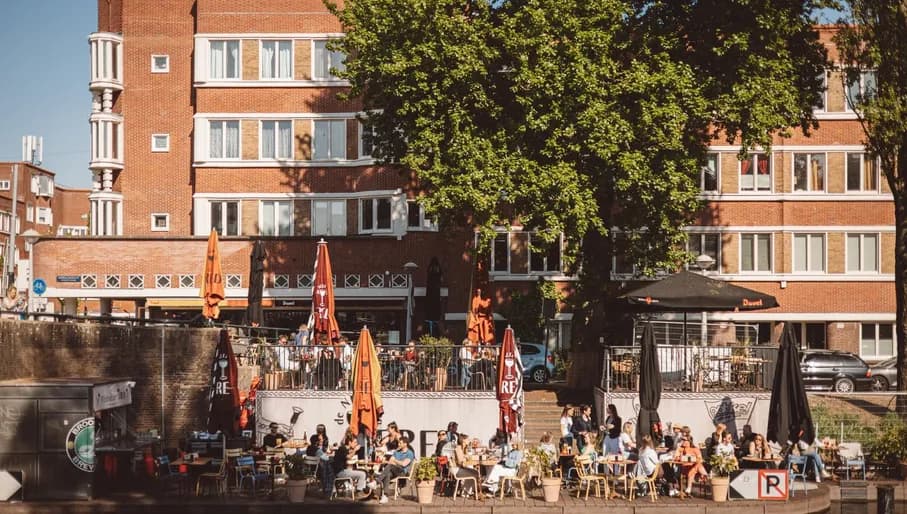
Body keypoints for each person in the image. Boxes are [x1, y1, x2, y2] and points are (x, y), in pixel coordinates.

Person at [374, 435, 415, 504]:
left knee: (390, 466)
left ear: (405, 444)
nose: (398, 444)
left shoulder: (409, 453)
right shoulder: (397, 452)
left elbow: (404, 464)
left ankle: (377, 481)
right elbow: (390, 461)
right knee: (387, 474)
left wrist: (395, 461)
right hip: (394, 470)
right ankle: (385, 496)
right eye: (398, 443)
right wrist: (395, 462)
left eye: (400, 443)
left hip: (402, 472)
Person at [333, 434, 372, 498]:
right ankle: (359, 492)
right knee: (362, 474)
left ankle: (365, 489)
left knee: (364, 471)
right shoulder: (342, 448)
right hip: (340, 472)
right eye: (355, 442)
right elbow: (348, 457)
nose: (356, 444)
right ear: (349, 442)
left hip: (343, 471)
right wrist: (355, 450)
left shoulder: (345, 449)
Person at [450, 433, 480, 497]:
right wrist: (466, 457)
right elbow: (461, 462)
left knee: (475, 472)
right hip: (456, 470)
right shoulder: (458, 448)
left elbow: (464, 458)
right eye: (467, 439)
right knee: (474, 474)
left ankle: (466, 490)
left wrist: (466, 456)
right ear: (463, 440)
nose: (469, 440)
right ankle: (465, 492)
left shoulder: (463, 448)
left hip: (459, 468)